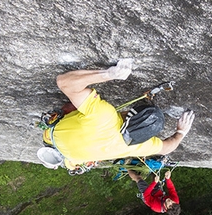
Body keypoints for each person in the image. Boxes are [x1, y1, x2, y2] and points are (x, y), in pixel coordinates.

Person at [42, 59, 195, 169]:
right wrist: (181, 133)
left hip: (60, 142)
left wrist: (108, 74)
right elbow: (166, 148)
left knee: (68, 109)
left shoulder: (121, 135)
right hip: (69, 154)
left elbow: (64, 82)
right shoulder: (133, 144)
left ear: (130, 113)